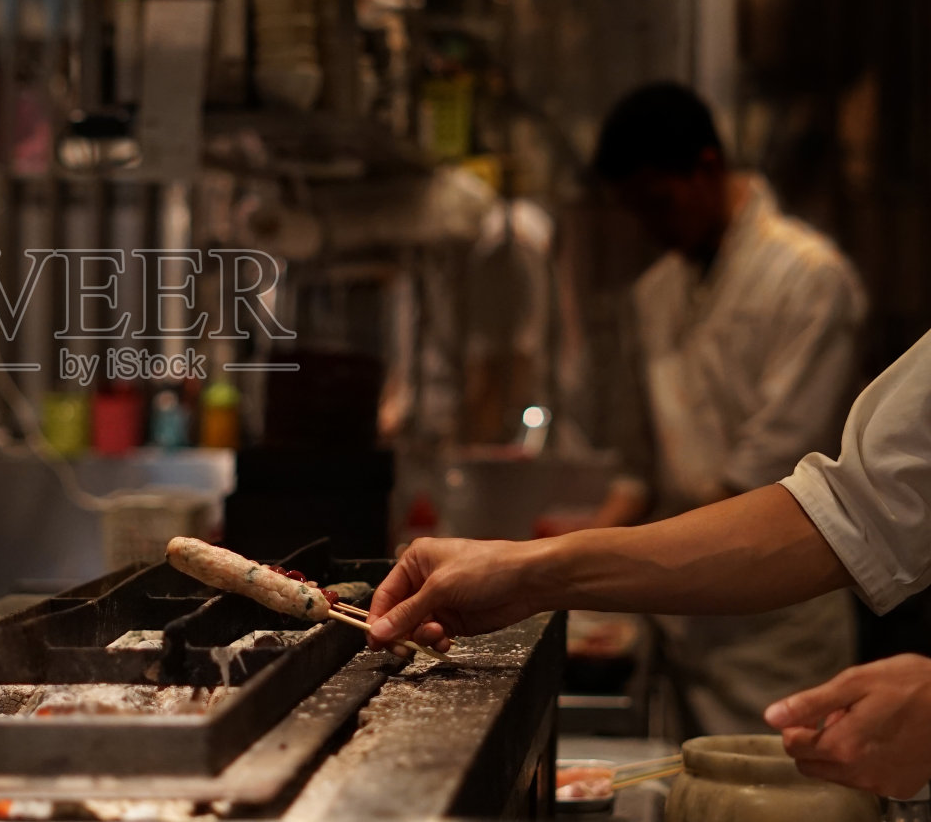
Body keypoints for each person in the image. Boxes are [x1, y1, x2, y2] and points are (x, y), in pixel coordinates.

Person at [366, 326, 931, 799]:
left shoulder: (808, 279)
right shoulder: (657, 291)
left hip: (783, 633)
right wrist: (531, 571)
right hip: (710, 590)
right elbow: (845, 514)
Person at [573, 82, 867, 735]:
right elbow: (642, 472)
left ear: (707, 168)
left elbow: (762, 474)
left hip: (777, 623)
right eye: (635, 210)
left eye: (658, 201)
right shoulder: (655, 293)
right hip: (681, 611)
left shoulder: (810, 279)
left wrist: (582, 569)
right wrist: (558, 560)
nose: (650, 227)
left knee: (790, 794)